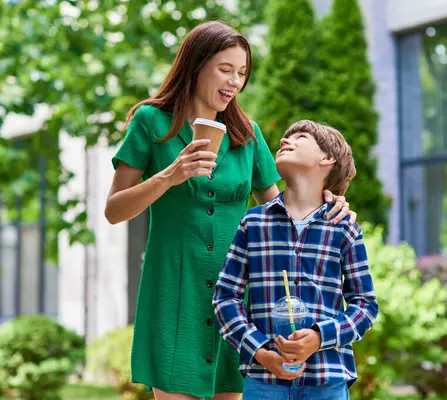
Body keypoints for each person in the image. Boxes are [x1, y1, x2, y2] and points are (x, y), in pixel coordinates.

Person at [104, 22, 356, 400]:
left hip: (239, 299)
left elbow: (281, 214)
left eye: (242, 73)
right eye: (225, 69)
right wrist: (170, 177)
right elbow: (113, 210)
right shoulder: (151, 122)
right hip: (175, 291)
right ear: (196, 64)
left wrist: (329, 203)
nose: (235, 82)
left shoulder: (247, 134)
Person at [212, 120, 379, 400]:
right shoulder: (253, 223)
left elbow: (365, 305)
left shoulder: (343, 227)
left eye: (300, 137)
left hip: (327, 381)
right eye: (285, 138)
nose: (284, 141)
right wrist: (260, 351)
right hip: (264, 381)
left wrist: (319, 337)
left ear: (327, 159)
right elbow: (225, 298)